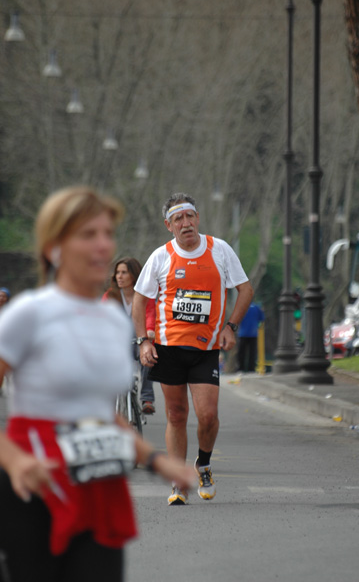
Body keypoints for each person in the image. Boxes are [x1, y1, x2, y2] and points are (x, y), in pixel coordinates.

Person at [0, 186, 195, 582]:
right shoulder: (29, 315)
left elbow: (100, 416)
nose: (103, 245)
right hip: (36, 475)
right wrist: (15, 459)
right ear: (55, 246)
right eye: (88, 234)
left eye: (107, 234)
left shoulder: (110, 321)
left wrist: (156, 459)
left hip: (97, 478)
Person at [132, 192, 253, 505]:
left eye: (189, 217)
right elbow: (139, 301)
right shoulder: (160, 257)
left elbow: (245, 289)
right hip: (168, 347)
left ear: (197, 218)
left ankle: (204, 463)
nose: (185, 224)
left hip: (206, 347)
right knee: (176, 414)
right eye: (177, 219)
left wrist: (231, 327)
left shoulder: (220, 250)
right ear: (168, 225)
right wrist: (144, 341)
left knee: (208, 416)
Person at [103, 257, 156, 414]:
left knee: (149, 356)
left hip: (139, 339)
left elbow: (150, 314)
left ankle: (147, 398)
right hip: (117, 342)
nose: (119, 276)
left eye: (124, 273)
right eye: (117, 273)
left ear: (134, 275)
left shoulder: (145, 295)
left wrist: (150, 330)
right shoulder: (110, 296)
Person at [237, 302, 265, 372]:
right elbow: (262, 319)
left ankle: (241, 368)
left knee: (241, 352)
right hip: (253, 333)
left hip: (242, 333)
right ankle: (251, 369)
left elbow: (237, 319)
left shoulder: (241, 307)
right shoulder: (257, 307)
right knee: (252, 353)